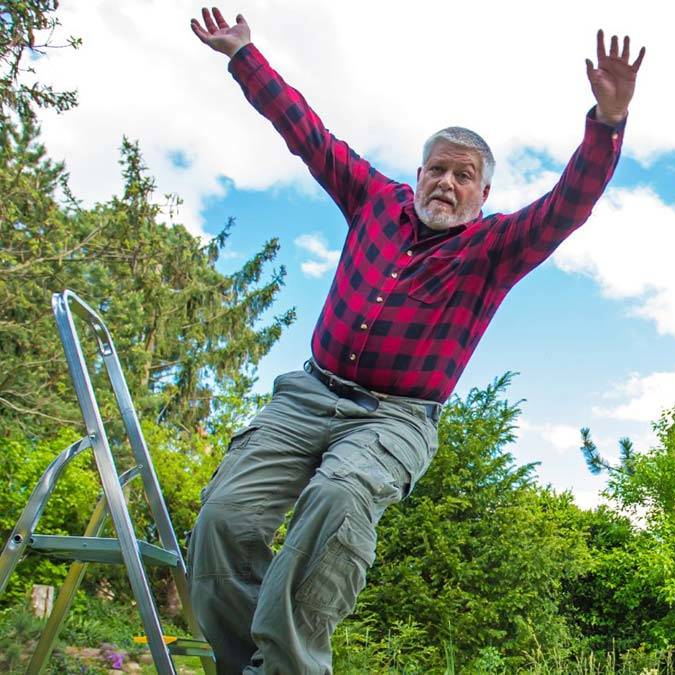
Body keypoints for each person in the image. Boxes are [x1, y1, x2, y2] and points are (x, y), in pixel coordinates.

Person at [186, 7, 645, 674]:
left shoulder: (494, 248)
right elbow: (307, 134)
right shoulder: (374, 199)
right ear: (420, 172)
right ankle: (242, 666)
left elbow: (568, 203)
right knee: (225, 517)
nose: (446, 183)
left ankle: (288, 666)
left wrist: (606, 125)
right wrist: (243, 57)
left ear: (482, 193)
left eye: (463, 176)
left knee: (340, 498)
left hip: (393, 419)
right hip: (307, 394)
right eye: (438, 169)